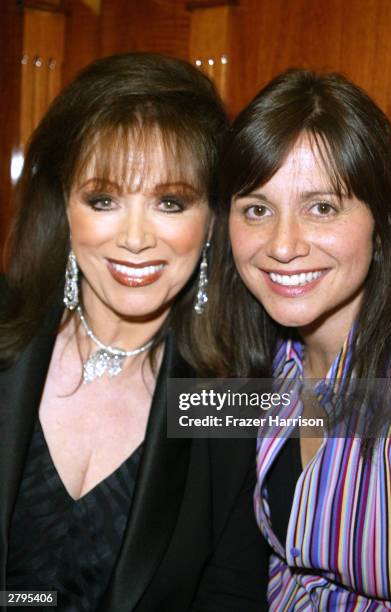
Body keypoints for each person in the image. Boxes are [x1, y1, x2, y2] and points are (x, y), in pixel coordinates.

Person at [0, 53, 268, 611]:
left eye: (171, 202)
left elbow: (371, 413)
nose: (136, 237)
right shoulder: (8, 342)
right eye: (104, 199)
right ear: (65, 206)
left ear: (213, 220)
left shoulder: (227, 400)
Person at [214, 68, 391, 609]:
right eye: (258, 209)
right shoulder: (258, 366)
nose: (283, 245)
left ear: (384, 224)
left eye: (321, 207)